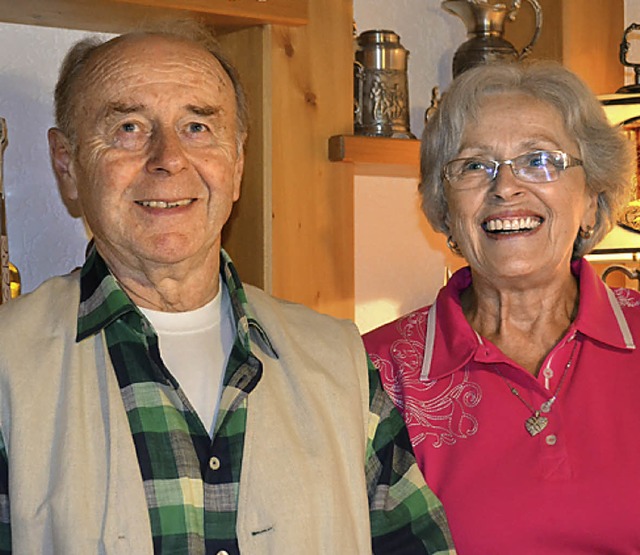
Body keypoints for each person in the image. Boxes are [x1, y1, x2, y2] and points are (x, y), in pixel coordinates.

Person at [0, 22, 456, 555]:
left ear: (237, 164)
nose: (167, 158)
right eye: (127, 127)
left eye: (197, 127)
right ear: (67, 164)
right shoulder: (9, 367)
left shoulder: (342, 364)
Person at [364, 61, 640, 554]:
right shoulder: (373, 373)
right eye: (475, 165)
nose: (506, 188)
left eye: (540, 160)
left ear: (592, 197)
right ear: (445, 209)